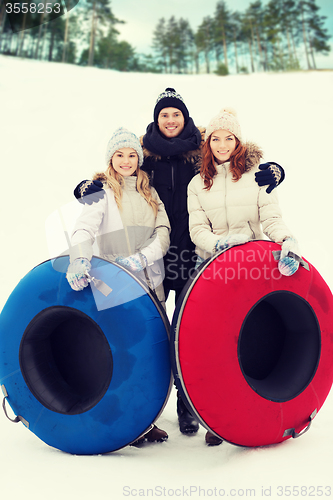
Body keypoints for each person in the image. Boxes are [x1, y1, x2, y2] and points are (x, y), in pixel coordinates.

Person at [72, 89, 287, 439]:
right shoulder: (144, 157)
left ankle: (190, 409)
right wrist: (88, 187)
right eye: (164, 115)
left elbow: (235, 164)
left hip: (194, 252)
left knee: (195, 333)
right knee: (149, 336)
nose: (170, 120)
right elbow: (113, 181)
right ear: (155, 120)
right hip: (151, 258)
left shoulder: (200, 149)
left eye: (176, 114)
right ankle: (143, 414)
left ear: (186, 119)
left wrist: (273, 170)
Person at [187, 108, 301, 444]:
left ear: (238, 141)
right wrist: (218, 244)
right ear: (208, 143)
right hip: (211, 267)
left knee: (248, 336)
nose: (222, 144)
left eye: (229, 138)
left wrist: (285, 239)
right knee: (210, 344)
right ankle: (212, 417)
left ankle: (245, 412)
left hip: (251, 268)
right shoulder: (198, 183)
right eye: (216, 138)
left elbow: (271, 216)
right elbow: (196, 228)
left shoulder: (258, 176)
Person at [66, 127, 171, 445]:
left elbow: (163, 233)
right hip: (115, 287)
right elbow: (84, 229)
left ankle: (148, 420)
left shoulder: (149, 192)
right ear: (111, 159)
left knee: (153, 355)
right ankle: (127, 422)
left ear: (138, 160)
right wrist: (79, 259)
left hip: (150, 286)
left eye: (131, 155)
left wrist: (140, 259)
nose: (126, 161)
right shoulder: (101, 192)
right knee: (123, 355)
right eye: (119, 155)